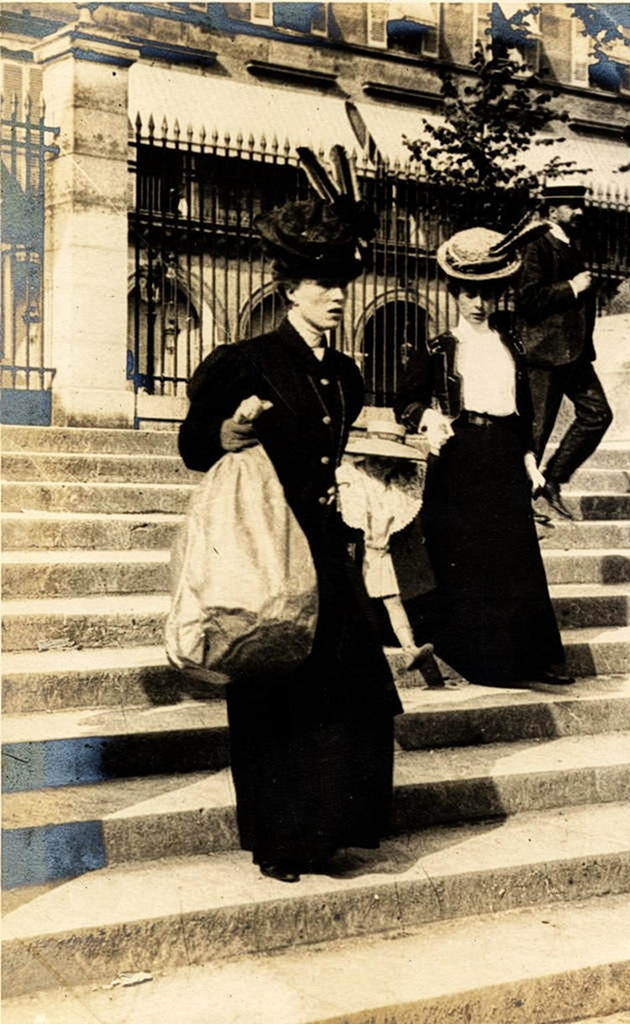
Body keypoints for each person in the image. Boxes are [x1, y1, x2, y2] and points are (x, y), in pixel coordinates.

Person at [178, 167, 402, 884]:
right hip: (270, 547)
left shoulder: (345, 373)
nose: (334, 296)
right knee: (275, 689)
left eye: (341, 283)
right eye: (320, 283)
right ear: (288, 288)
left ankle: (332, 828)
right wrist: (231, 431)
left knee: (348, 690)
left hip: (327, 548)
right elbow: (191, 448)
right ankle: (279, 839)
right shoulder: (246, 361)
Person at [395, 225, 573, 688]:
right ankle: (487, 662)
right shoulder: (440, 348)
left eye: (487, 294)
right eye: (469, 293)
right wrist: (429, 418)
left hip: (503, 455)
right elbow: (406, 402)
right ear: (455, 292)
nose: (478, 303)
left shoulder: (510, 345)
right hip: (459, 456)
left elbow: (524, 412)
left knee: (514, 559)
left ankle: (532, 658)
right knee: (469, 559)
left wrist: (530, 460)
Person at [517, 183, 613, 520]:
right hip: (544, 352)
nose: (580, 211)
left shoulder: (570, 244)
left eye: (580, 205)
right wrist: (572, 287)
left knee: (598, 414)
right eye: (572, 205)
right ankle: (517, 501)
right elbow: (527, 300)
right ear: (552, 210)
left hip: (575, 353)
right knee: (537, 430)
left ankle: (553, 480)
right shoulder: (536, 244)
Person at [336, 419, 445, 688]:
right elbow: (350, 519)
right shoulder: (351, 481)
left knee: (393, 601)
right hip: (360, 556)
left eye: (391, 461)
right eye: (380, 459)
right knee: (354, 604)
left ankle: (410, 648)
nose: (385, 466)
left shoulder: (398, 486)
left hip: (381, 554)